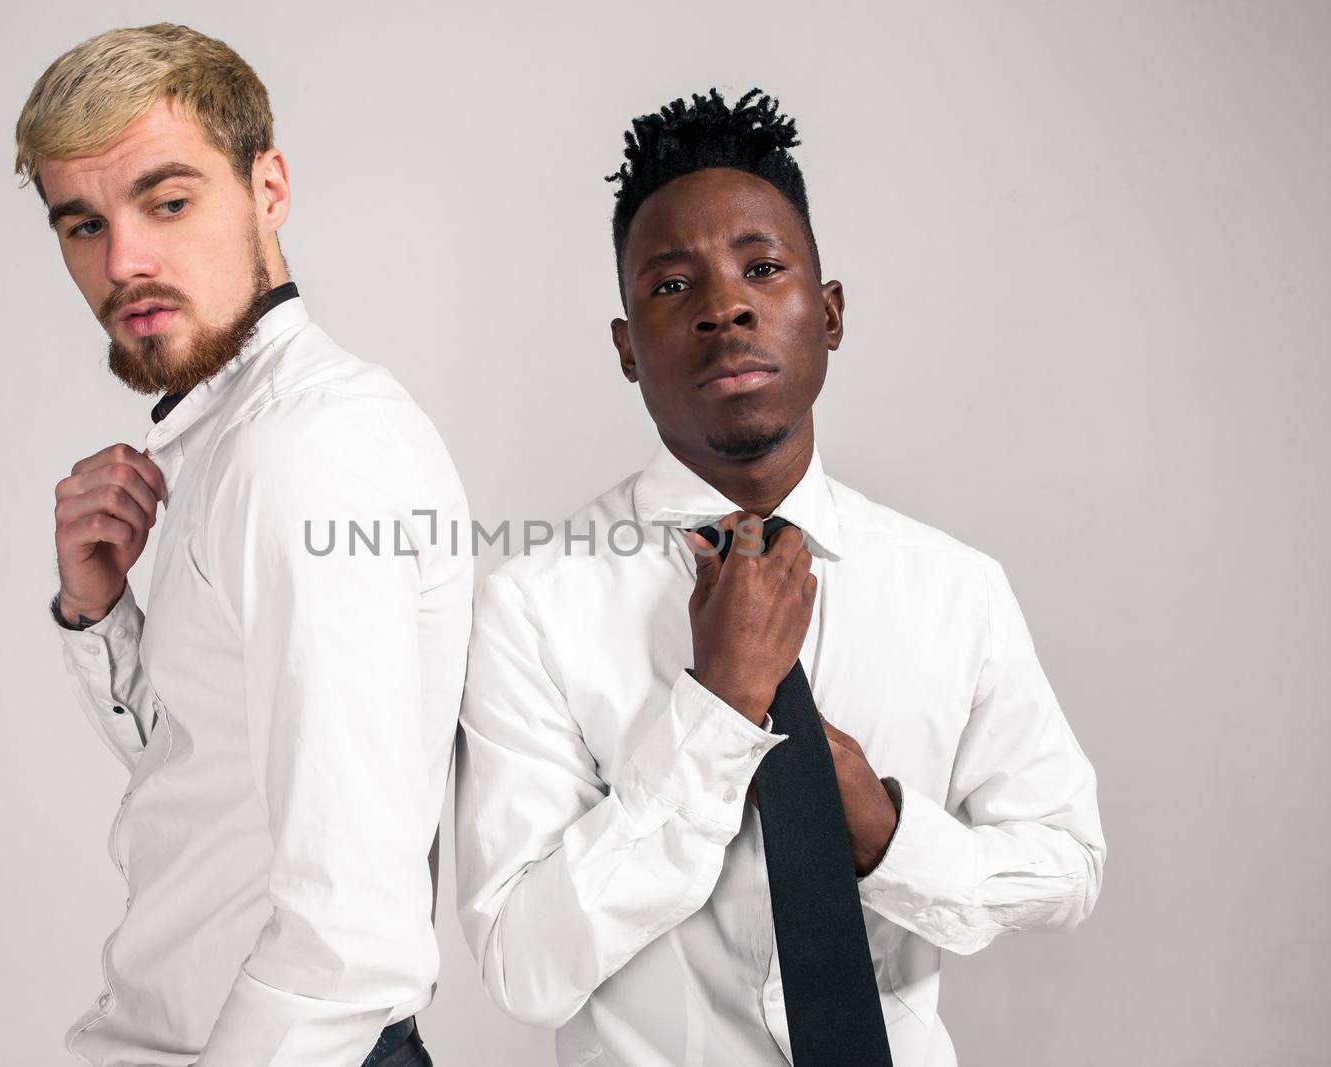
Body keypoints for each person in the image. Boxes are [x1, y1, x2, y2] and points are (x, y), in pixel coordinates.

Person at [454, 88, 1105, 1066]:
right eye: (673, 286)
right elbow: (525, 961)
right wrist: (714, 714)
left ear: (828, 312)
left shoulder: (953, 588)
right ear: (627, 348)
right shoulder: (535, 607)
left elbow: (1065, 862)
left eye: (761, 267)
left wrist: (888, 835)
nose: (725, 306)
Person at [15, 23, 467, 1066]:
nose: (123, 260)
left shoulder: (302, 449)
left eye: (167, 202)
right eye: (81, 224)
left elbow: (348, 933)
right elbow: (212, 776)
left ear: (268, 189)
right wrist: (98, 615)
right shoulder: (228, 438)